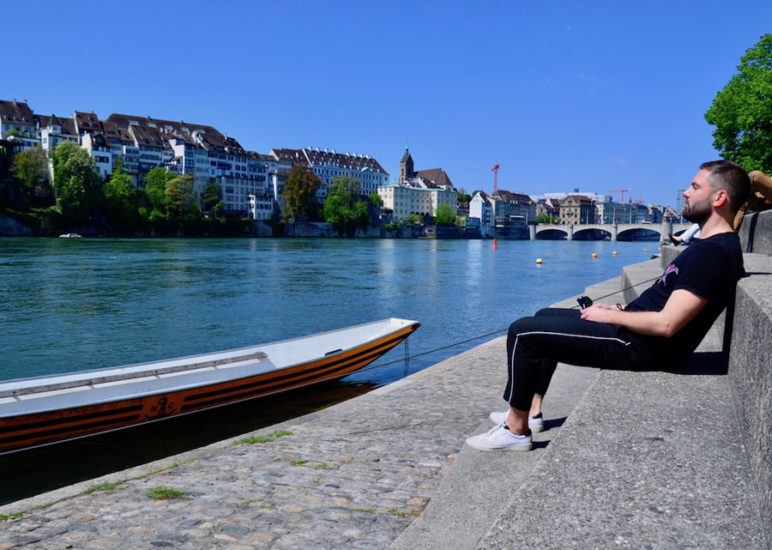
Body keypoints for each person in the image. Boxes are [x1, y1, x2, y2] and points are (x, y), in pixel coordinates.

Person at [466, 160, 750, 451]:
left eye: (695, 187)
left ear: (719, 198)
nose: (687, 193)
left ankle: (516, 430)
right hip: (636, 332)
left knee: (523, 333)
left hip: (640, 346)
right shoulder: (711, 247)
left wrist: (610, 315)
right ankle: (531, 410)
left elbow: (668, 325)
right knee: (544, 315)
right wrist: (620, 311)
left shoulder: (711, 254)